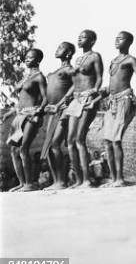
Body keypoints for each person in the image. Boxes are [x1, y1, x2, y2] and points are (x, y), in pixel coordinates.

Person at [100, 31, 136, 187]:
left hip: (124, 99)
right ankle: (114, 179)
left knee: (116, 140)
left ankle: (120, 178)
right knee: (107, 141)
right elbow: (112, 83)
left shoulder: (130, 60)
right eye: (116, 38)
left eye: (121, 39)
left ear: (128, 42)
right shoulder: (113, 61)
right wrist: (102, 92)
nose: (117, 41)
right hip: (111, 102)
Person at [65, 30, 103, 188]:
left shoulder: (95, 56)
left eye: (84, 37)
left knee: (80, 139)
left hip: (88, 98)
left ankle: (87, 179)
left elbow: (100, 77)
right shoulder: (78, 59)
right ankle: (78, 179)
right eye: (79, 37)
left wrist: (95, 91)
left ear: (92, 41)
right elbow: (76, 82)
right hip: (76, 99)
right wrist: (68, 95)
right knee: (70, 141)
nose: (79, 39)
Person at [7, 49, 47, 191]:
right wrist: (9, 113)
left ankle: (29, 184)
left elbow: (45, 98)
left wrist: (38, 110)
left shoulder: (39, 77)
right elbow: (21, 100)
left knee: (24, 148)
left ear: (38, 60)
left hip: (31, 116)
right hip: (20, 115)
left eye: (31, 57)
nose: (27, 59)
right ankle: (22, 183)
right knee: (13, 150)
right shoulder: (25, 77)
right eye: (26, 57)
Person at [41, 42, 75, 190]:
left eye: (60, 47)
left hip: (64, 110)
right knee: (48, 147)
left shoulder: (70, 70)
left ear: (68, 53)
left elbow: (75, 86)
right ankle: (56, 181)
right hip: (52, 112)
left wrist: (61, 103)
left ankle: (62, 181)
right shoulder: (55, 71)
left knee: (55, 143)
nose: (57, 49)